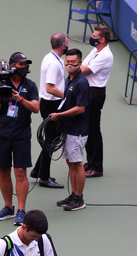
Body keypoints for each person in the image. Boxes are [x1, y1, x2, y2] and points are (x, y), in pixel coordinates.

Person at [0, 52, 40, 226]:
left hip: (21, 135)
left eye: (25, 64)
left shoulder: (30, 85)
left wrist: (20, 99)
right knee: (3, 170)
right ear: (12, 66)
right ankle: (8, 207)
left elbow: (36, 108)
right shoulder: (2, 84)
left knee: (20, 172)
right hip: (2, 133)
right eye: (20, 64)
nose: (24, 67)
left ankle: (21, 210)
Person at [50, 48, 90, 211]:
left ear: (80, 63)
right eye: (67, 62)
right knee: (70, 162)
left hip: (78, 130)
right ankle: (74, 194)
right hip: (68, 128)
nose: (70, 65)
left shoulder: (81, 83)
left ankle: (79, 198)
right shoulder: (70, 79)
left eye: (73, 63)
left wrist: (60, 115)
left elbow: (80, 108)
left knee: (77, 163)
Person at [33, 33, 69, 189]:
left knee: (50, 139)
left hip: (50, 103)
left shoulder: (53, 58)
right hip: (51, 105)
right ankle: (44, 177)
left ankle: (37, 171)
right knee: (51, 141)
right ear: (62, 46)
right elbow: (50, 87)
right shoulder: (54, 63)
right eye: (67, 43)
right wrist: (67, 95)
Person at [81, 26, 114, 178]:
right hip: (89, 91)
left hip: (95, 93)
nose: (91, 37)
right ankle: (90, 161)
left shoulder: (105, 55)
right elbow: (83, 64)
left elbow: (84, 70)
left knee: (93, 130)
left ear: (102, 39)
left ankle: (97, 167)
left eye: (94, 36)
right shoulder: (96, 50)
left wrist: (76, 66)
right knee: (86, 129)